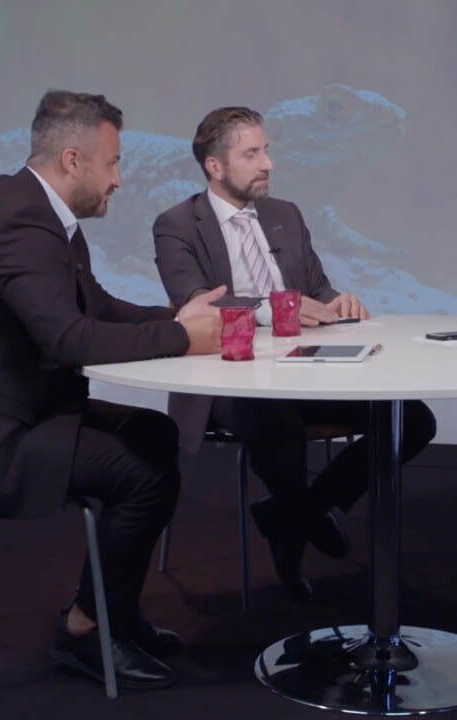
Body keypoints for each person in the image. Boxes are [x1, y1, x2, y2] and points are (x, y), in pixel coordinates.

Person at [0, 90, 227, 691]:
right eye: (112, 163)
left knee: (155, 434)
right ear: (73, 160)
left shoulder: (40, 211)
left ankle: (112, 612)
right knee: (144, 476)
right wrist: (183, 338)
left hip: (11, 408)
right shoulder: (21, 222)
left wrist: (179, 317)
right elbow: (71, 340)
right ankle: (85, 628)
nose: (119, 179)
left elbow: (94, 306)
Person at [152, 106, 437, 600]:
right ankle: (300, 516)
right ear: (214, 166)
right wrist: (275, 307)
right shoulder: (176, 224)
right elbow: (197, 306)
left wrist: (338, 301)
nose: (268, 163)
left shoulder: (285, 214)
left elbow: (318, 289)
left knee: (411, 419)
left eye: (267, 150)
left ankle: (297, 514)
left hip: (304, 367)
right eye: (252, 154)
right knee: (272, 419)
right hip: (226, 376)